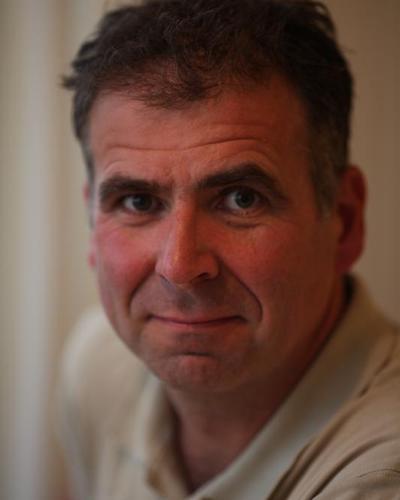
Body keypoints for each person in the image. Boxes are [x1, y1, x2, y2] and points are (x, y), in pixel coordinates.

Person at [58, 0, 400, 498]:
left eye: (241, 199)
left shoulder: (380, 476)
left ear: (343, 222)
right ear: (92, 223)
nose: (179, 266)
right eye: (137, 201)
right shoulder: (96, 366)